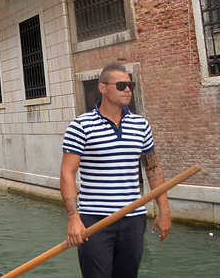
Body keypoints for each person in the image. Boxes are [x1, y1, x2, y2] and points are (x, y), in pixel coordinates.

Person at [60, 63, 171, 278]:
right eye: (121, 85)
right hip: (94, 221)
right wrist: (74, 219)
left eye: (130, 85)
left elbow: (153, 168)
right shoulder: (81, 126)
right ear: (103, 88)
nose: (127, 89)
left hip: (134, 218)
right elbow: (67, 174)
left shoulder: (141, 125)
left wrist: (164, 210)